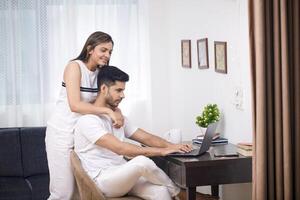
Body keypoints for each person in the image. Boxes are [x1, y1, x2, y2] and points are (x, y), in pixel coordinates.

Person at [74, 66, 193, 200]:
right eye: (118, 90)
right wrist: (161, 151)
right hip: (103, 180)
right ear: (103, 89)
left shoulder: (117, 116)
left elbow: (146, 137)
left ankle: (176, 193)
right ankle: (179, 193)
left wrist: (171, 146)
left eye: (123, 90)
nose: (123, 95)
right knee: (142, 162)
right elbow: (120, 148)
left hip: (123, 173)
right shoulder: (87, 121)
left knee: (161, 192)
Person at [46, 31, 124, 200]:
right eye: (103, 50)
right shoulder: (74, 67)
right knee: (62, 193)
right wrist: (109, 111)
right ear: (90, 49)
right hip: (61, 133)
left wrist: (117, 110)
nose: (107, 55)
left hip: (81, 135)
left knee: (78, 193)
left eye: (110, 52)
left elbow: (107, 96)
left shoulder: (100, 73)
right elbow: (75, 105)